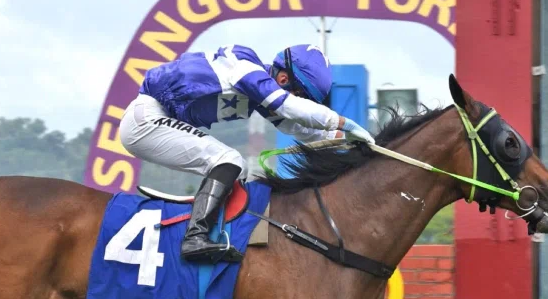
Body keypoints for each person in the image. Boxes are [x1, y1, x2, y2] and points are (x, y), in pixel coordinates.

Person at [119, 44, 375, 263]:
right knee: (228, 160)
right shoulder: (244, 65)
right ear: (284, 79)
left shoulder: (260, 91)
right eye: (299, 94)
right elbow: (288, 107)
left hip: (155, 119)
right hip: (146, 120)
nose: (297, 99)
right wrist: (343, 122)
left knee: (232, 164)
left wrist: (346, 142)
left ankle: (209, 231)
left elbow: (299, 128)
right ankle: (195, 237)